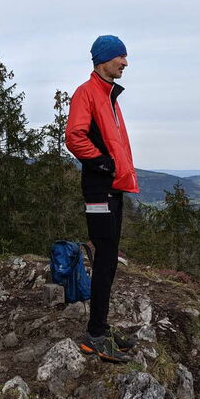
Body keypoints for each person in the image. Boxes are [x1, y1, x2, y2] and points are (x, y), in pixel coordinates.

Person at [65, 34, 139, 363]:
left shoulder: (109, 96)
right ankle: (95, 335)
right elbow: (74, 136)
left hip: (113, 187)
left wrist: (115, 171)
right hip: (99, 188)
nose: (125, 62)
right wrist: (103, 164)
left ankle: (102, 327)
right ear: (104, 59)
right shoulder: (87, 93)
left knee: (109, 260)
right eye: (120, 57)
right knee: (105, 258)